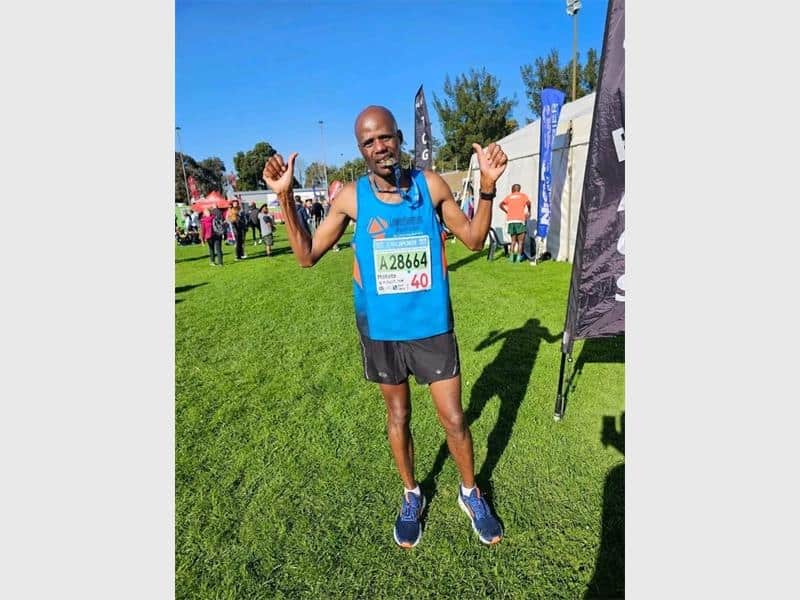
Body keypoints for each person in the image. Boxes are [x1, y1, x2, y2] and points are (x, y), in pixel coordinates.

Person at [262, 105, 508, 548]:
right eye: (369, 141)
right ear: (361, 149)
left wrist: (487, 188)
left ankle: (470, 492)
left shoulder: (430, 185)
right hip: (382, 331)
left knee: (454, 418)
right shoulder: (351, 197)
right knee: (399, 415)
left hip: (431, 325)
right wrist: (284, 197)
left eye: (386, 137)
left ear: (399, 137)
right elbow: (306, 256)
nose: (379, 147)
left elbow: (473, 239)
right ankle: (412, 493)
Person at [498, 184, 531, 264]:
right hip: (520, 220)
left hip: (511, 221)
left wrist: (507, 211)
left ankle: (511, 259)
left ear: (513, 189)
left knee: (513, 241)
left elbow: (500, 205)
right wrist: (529, 211)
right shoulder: (523, 196)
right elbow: (529, 203)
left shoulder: (509, 196)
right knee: (520, 241)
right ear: (519, 189)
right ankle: (518, 259)